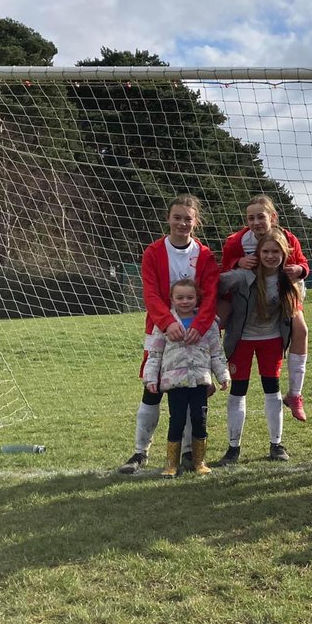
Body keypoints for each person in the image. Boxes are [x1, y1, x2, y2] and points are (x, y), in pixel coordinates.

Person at [118, 195, 219, 474]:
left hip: (194, 335)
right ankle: (140, 452)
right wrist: (166, 322)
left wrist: (198, 325)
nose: (182, 223)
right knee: (152, 388)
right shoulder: (153, 252)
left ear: (195, 221)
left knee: (189, 391)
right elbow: (150, 293)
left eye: (188, 218)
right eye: (177, 217)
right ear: (169, 219)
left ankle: (188, 453)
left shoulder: (205, 255)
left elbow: (210, 295)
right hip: (161, 332)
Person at [220, 195, 311, 421]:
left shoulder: (288, 238)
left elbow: (303, 263)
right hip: (244, 297)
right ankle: (203, 376)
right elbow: (224, 269)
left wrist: (299, 270)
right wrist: (237, 262)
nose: (256, 222)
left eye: (261, 216)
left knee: (301, 330)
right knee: (212, 321)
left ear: (273, 217)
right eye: (250, 218)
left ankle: (295, 393)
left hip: (280, 294)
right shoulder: (236, 241)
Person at [216, 228, 301, 465]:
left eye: (276, 251)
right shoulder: (243, 276)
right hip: (241, 340)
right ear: (258, 252)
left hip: (271, 340)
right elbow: (215, 284)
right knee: (238, 390)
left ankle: (276, 444)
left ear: (284, 253)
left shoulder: (287, 279)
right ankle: (233, 448)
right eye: (266, 251)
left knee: (272, 389)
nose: (271, 256)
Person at [143, 278, 230, 477]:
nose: (185, 301)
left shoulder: (208, 324)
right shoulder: (164, 325)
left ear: (197, 299)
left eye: (189, 297)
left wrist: (222, 375)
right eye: (179, 297)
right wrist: (150, 379)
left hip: (199, 381)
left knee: (200, 419)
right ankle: (171, 464)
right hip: (175, 384)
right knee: (177, 421)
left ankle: (199, 462)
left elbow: (216, 353)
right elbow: (154, 354)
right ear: (172, 299)